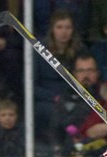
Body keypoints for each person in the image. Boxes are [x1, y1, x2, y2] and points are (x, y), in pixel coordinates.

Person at [34, 9, 84, 140]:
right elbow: (30, 85)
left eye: (68, 27)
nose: (64, 32)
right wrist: (53, 97)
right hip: (47, 100)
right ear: (52, 29)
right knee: (56, 112)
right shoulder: (39, 50)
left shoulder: (81, 50)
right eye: (59, 27)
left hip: (73, 98)